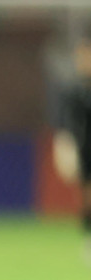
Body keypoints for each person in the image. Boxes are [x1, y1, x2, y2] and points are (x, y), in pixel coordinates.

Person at [52, 37, 91, 264]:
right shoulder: (74, 90)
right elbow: (66, 124)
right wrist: (65, 144)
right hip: (85, 149)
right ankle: (88, 239)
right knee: (87, 198)